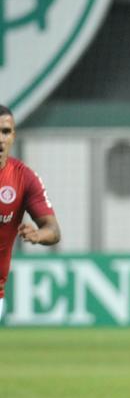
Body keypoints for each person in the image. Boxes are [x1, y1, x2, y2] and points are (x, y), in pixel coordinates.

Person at [0, 105, 61, 322]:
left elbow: (53, 231)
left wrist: (38, 235)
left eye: (5, 132)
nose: (0, 139)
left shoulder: (24, 178)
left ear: (13, 136)